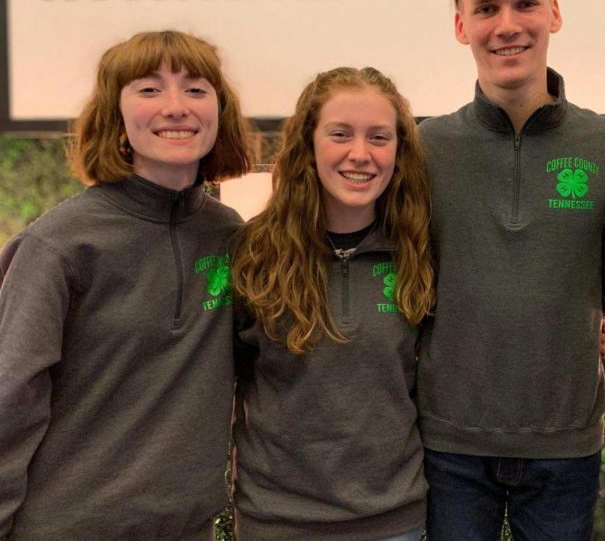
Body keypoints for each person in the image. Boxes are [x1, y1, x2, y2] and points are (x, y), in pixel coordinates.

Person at [416, 0, 605, 540]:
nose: (507, 24)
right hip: (448, 443)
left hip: (565, 447)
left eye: (525, 2)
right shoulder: (424, 148)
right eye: (486, 8)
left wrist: (577, 319)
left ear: (554, 13)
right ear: (461, 25)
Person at [0, 30, 254, 539]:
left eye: (196, 90)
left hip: (189, 528)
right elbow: (10, 400)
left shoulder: (231, 236)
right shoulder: (59, 245)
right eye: (149, 89)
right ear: (115, 115)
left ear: (219, 114)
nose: (176, 107)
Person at [229, 66, 434, 540]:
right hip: (277, 523)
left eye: (378, 137)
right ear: (308, 143)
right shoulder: (252, 254)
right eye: (340, 134)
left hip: (393, 522)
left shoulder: (420, 252)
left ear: (399, 151)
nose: (360, 154)